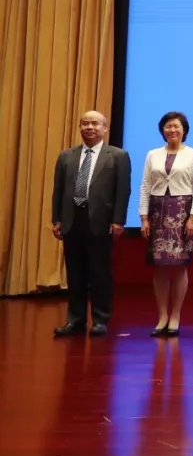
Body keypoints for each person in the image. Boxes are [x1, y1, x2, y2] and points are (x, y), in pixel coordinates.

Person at [51, 111, 132, 337]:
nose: (89, 127)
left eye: (95, 123)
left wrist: (118, 220)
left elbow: (123, 191)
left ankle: (100, 320)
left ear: (105, 128)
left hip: (101, 222)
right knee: (75, 274)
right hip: (72, 220)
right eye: (85, 123)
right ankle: (75, 321)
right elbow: (58, 190)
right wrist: (56, 219)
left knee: (100, 272)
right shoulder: (66, 156)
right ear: (80, 128)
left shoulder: (118, 156)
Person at [138, 111, 193, 337]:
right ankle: (162, 316)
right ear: (162, 130)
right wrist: (143, 217)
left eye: (176, 126)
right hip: (157, 212)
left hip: (182, 212)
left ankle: (175, 315)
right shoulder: (152, 154)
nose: (172, 130)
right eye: (168, 126)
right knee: (159, 266)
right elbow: (145, 186)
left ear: (184, 130)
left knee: (179, 265)